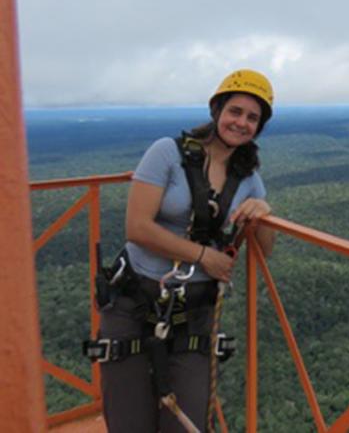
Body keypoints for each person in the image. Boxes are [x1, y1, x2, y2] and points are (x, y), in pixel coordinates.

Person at [94, 69, 276, 432]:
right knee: (130, 422)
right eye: (235, 111)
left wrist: (264, 214)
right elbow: (137, 227)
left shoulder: (249, 180)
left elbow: (264, 250)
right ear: (217, 110)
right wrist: (204, 256)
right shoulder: (167, 153)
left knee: (186, 422)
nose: (241, 123)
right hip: (135, 300)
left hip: (194, 311)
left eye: (252, 118)